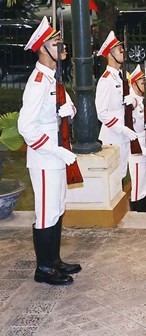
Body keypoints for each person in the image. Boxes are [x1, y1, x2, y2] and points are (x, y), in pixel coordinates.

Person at [17, 17, 81, 286]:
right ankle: (43, 268)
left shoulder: (53, 78)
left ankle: (53, 260)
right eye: (57, 44)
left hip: (56, 156)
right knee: (45, 212)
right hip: (45, 159)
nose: (62, 48)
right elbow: (26, 127)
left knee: (56, 208)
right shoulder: (37, 83)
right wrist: (56, 152)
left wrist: (70, 110)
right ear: (43, 48)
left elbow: (68, 110)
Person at [95, 31, 138, 183]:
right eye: (120, 50)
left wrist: (132, 100)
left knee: (121, 175)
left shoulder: (124, 76)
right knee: (112, 178)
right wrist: (122, 128)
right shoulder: (106, 80)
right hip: (113, 136)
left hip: (125, 135)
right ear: (110, 54)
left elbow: (134, 102)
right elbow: (101, 113)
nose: (123, 52)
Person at [127, 65, 146, 212]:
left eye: (145, 81)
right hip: (137, 149)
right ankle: (138, 215)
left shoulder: (143, 100)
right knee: (138, 186)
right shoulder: (133, 99)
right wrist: (143, 150)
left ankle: (144, 214)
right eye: (142, 81)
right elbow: (130, 127)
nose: (145, 84)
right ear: (134, 83)